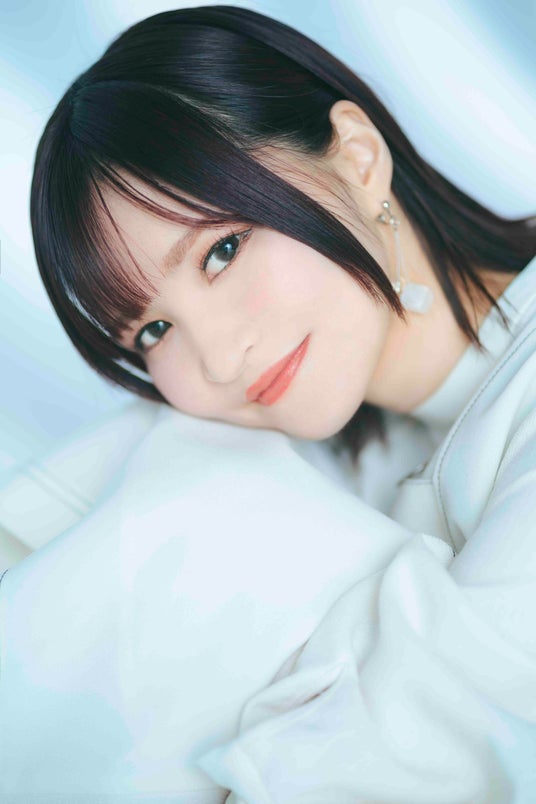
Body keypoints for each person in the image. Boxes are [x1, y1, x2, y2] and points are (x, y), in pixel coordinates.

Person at [1, 5, 535, 802]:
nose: (219, 359)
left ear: (357, 159)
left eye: (222, 250)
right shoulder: (306, 472)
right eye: (152, 331)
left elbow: (463, 717)